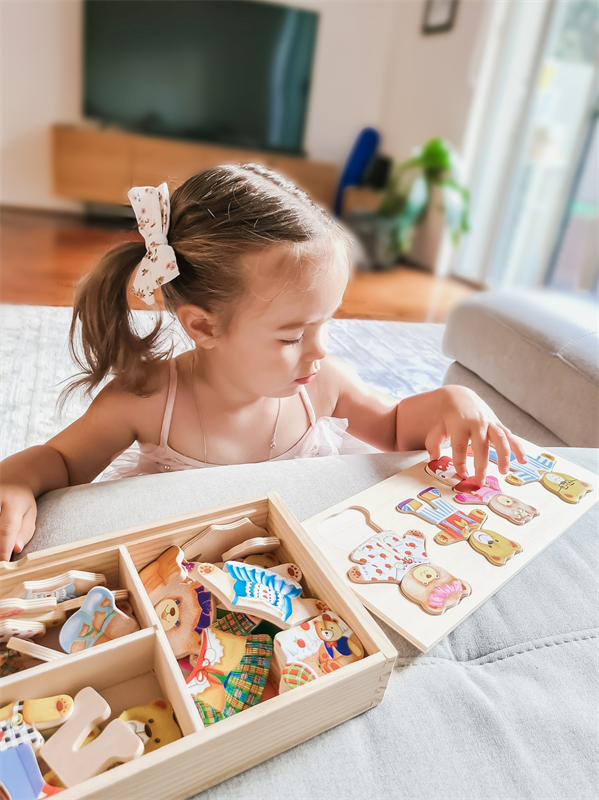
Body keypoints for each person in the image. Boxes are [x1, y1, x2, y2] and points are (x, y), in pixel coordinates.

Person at [0, 164, 526, 561]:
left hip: (302, 559)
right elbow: (63, 462)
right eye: (295, 334)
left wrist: (450, 401)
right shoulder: (145, 400)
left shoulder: (320, 384)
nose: (321, 350)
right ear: (203, 326)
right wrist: (15, 481)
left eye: (327, 323)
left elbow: (392, 428)